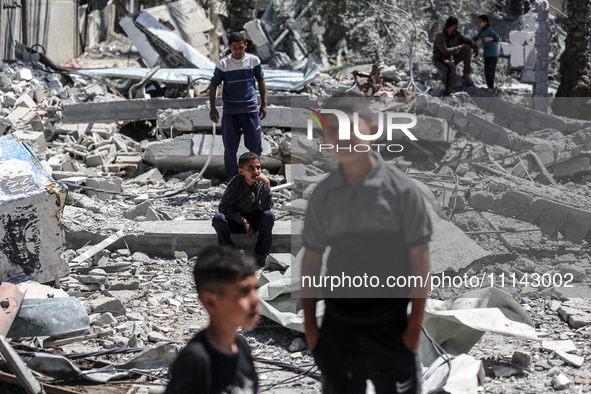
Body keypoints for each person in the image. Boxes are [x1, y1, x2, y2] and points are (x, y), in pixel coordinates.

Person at [301, 93, 432, 393]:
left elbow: (420, 261)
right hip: (339, 323)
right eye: (332, 130)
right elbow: (311, 261)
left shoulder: (401, 191)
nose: (342, 138)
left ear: (372, 130)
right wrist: (311, 328)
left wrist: (413, 329)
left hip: (390, 324)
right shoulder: (323, 196)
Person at [165, 246, 260, 394]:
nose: (255, 300)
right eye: (243, 291)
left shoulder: (241, 346)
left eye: (256, 289)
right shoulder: (196, 360)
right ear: (211, 302)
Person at [209, 32, 268, 179]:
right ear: (229, 47)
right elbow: (213, 85)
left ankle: (254, 177)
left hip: (250, 111)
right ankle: (233, 179)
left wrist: (264, 103)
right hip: (230, 112)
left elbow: (261, 80)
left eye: (240, 48)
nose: (237, 51)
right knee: (230, 149)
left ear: (245, 46)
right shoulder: (223, 64)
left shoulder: (253, 61)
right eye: (234, 48)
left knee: (255, 147)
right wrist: (212, 108)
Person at [212, 152, 274, 265]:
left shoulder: (262, 183)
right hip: (237, 222)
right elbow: (223, 207)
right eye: (250, 168)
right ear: (241, 171)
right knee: (218, 218)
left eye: (258, 167)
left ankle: (260, 255)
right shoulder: (236, 183)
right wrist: (243, 220)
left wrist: (267, 186)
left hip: (255, 222)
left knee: (269, 216)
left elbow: (266, 208)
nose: (256, 172)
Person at [433, 16, 479, 96]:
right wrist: (458, 47)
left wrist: (473, 45)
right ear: (453, 25)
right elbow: (445, 51)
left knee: (467, 48)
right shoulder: (441, 36)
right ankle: (448, 92)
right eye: (456, 25)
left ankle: (466, 75)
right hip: (441, 59)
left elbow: (465, 40)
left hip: (451, 58)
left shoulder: (456, 34)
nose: (457, 27)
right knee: (452, 67)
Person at [473, 15, 500, 92]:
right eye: (478, 22)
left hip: (493, 54)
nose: (479, 24)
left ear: (485, 22)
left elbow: (497, 37)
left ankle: (491, 87)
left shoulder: (489, 30)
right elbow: (476, 38)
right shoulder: (481, 31)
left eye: (480, 22)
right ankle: (489, 86)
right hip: (487, 54)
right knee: (486, 71)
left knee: (491, 71)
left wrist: (489, 38)